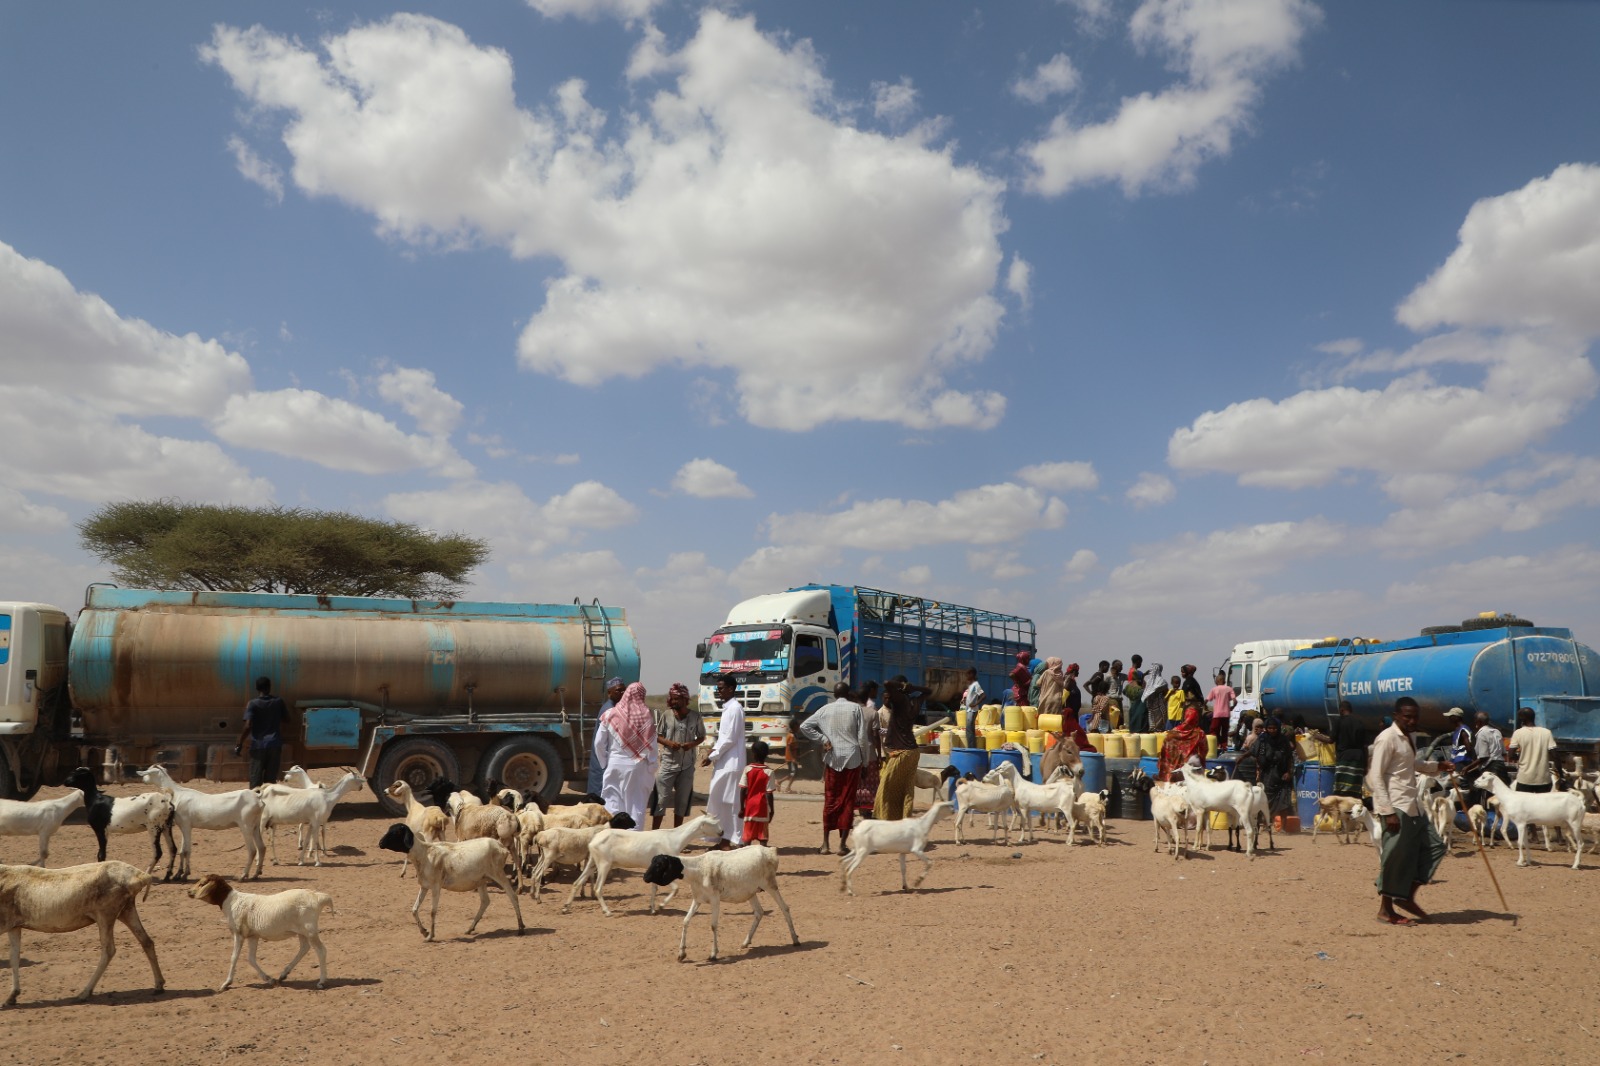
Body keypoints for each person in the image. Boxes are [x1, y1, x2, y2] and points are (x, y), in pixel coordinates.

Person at [1367, 696, 1449, 926]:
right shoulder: (1387, 738)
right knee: (1394, 857)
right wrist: (1387, 811)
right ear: (1396, 716)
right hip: (1396, 806)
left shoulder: (1409, 737)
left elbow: (1411, 766)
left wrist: (1438, 766)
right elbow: (1376, 776)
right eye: (1407, 717)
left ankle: (1406, 896)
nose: (1412, 721)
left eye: (1415, 717)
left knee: (1435, 846)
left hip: (1412, 804)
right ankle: (1385, 910)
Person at [801, 682, 873, 854]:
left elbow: (805, 726)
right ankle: (842, 845)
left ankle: (825, 844)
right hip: (853, 758)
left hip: (833, 759)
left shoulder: (825, 710)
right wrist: (865, 762)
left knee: (830, 799)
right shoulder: (855, 709)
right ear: (848, 694)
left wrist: (823, 739)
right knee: (848, 800)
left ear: (834, 694)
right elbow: (862, 738)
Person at [598, 682, 657, 827]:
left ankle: (612, 837)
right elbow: (652, 746)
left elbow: (599, 743)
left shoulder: (610, 714)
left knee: (611, 805)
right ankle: (633, 839)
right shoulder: (646, 716)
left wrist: (604, 762)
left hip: (614, 765)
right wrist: (652, 766)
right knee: (635, 806)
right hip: (637, 767)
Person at [701, 675, 746, 848]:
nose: (718, 691)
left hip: (732, 763)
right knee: (719, 800)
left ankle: (730, 840)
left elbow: (730, 739)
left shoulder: (735, 709)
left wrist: (712, 755)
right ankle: (723, 838)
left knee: (731, 803)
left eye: (721, 688)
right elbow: (723, 738)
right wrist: (713, 751)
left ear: (731, 689)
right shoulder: (728, 708)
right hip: (724, 762)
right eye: (717, 688)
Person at [652, 682, 705, 829]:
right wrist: (669, 743)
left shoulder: (695, 717)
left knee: (682, 803)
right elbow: (657, 736)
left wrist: (691, 745)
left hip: (687, 766)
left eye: (677, 699)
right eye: (672, 698)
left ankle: (677, 834)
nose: (674, 701)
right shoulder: (666, 715)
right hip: (667, 765)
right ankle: (654, 834)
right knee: (660, 801)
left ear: (685, 699)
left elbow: (701, 737)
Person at [874, 675, 927, 820]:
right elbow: (928, 691)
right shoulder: (913, 702)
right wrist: (913, 687)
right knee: (906, 789)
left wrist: (901, 686)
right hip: (913, 752)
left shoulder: (899, 703)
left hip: (902, 752)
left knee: (885, 789)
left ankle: (886, 820)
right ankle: (904, 819)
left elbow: (886, 682)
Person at [234, 676, 288, 789]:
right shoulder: (278, 701)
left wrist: (240, 742)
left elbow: (248, 725)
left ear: (257, 689)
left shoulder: (253, 704)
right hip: (275, 745)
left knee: (255, 782)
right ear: (269, 687)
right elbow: (287, 719)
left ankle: (255, 800)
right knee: (270, 782)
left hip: (258, 746)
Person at [587, 677, 626, 797]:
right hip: (604, 760)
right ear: (609, 693)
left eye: (624, 690)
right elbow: (600, 743)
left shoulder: (615, 707)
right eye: (618, 690)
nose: (622, 693)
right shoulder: (609, 710)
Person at [1254, 717, 1297, 822]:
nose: (1272, 730)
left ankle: (1283, 825)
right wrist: (1242, 758)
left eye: (1274, 728)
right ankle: (1266, 822)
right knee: (1266, 798)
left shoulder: (1283, 740)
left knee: (1284, 801)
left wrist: (1288, 772)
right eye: (1270, 728)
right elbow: (1254, 752)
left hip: (1281, 774)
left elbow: (1289, 757)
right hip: (1267, 774)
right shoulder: (1262, 739)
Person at [1464, 710, 1507, 812]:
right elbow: (1503, 753)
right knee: (1501, 795)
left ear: (1478, 722)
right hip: (1501, 766)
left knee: (1487, 797)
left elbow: (1483, 757)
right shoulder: (1497, 732)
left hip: (1490, 768)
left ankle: (1487, 816)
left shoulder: (1482, 734)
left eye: (1475, 721)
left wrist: (1467, 767)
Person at [1507, 707, 1556, 793]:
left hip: (1524, 779)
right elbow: (1555, 756)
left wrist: (1521, 757)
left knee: (1523, 802)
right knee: (1542, 802)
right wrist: (1561, 774)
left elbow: (1510, 755)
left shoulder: (1518, 733)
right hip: (1543, 779)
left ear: (1522, 719)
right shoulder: (1546, 732)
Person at [1157, 705, 1208, 782]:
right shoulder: (1200, 733)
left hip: (1172, 773)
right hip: (1190, 771)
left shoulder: (1173, 733)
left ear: (1185, 717)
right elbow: (1203, 751)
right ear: (1197, 718)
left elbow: (1164, 753)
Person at [1329, 700, 1367, 798]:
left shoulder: (1339, 721)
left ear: (1341, 710)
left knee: (1340, 791)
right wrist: (1365, 765)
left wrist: (1316, 736)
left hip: (1344, 759)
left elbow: (1330, 740)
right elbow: (1364, 746)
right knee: (1355, 790)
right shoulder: (1359, 722)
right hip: (1358, 760)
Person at [856, 681, 883, 817]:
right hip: (869, 753)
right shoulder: (873, 713)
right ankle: (866, 809)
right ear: (867, 698)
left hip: (853, 755)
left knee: (856, 782)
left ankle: (856, 805)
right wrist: (879, 755)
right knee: (870, 783)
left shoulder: (851, 712)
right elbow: (876, 736)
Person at [741, 741, 775, 845]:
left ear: (753, 754)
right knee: (763, 838)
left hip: (750, 807)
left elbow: (743, 790)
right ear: (767, 754)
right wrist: (772, 810)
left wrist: (742, 808)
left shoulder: (747, 769)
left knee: (747, 837)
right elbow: (769, 794)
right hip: (762, 808)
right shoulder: (769, 772)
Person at [960, 667, 987, 749]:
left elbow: (983, 695)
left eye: (968, 674)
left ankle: (971, 748)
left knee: (969, 731)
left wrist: (975, 704)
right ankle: (971, 747)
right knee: (969, 730)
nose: (966, 676)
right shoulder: (971, 685)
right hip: (969, 710)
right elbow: (971, 697)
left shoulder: (976, 685)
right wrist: (965, 701)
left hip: (972, 711)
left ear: (972, 674)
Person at [1206, 672, 1236, 744]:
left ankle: (1215, 745)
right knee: (1225, 731)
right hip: (1226, 714)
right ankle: (1224, 746)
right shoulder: (1229, 689)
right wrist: (1232, 707)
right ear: (1223, 680)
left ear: (1218, 681)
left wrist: (1204, 706)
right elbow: (1235, 700)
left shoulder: (1214, 689)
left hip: (1217, 714)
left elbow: (1207, 699)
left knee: (1214, 730)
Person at [1443, 707, 1474, 772]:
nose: (1449, 718)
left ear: (1456, 717)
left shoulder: (1463, 731)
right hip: (1457, 761)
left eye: (1451, 716)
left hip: (1462, 761)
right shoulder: (1458, 729)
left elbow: (1469, 748)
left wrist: (1469, 763)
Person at [778, 718, 801, 793]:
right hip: (791, 758)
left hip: (794, 757)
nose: (799, 728)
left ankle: (781, 783)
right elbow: (789, 748)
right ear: (794, 726)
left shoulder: (794, 735)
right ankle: (785, 786)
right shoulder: (791, 736)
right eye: (798, 726)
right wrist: (792, 758)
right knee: (793, 773)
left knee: (794, 773)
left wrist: (797, 756)